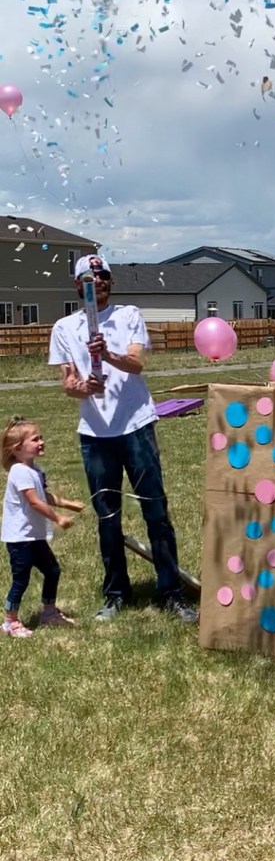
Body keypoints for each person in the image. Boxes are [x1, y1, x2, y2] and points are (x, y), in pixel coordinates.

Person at [48, 253, 197, 623]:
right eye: (90, 277)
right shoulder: (64, 328)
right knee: (108, 516)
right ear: (78, 284)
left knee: (155, 511)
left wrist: (108, 354)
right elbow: (68, 383)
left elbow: (136, 362)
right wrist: (84, 386)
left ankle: (171, 592)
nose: (98, 281)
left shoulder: (128, 315)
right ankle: (116, 594)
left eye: (104, 276)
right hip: (96, 435)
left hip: (136, 426)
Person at [2, 417, 85, 637]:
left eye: (41, 438)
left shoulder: (36, 470)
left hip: (34, 536)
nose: (41, 442)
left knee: (52, 571)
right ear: (17, 449)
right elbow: (34, 502)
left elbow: (44, 496)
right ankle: (10, 622)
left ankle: (49, 613)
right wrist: (58, 519)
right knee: (21, 580)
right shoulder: (19, 471)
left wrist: (68, 504)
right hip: (20, 538)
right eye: (35, 439)